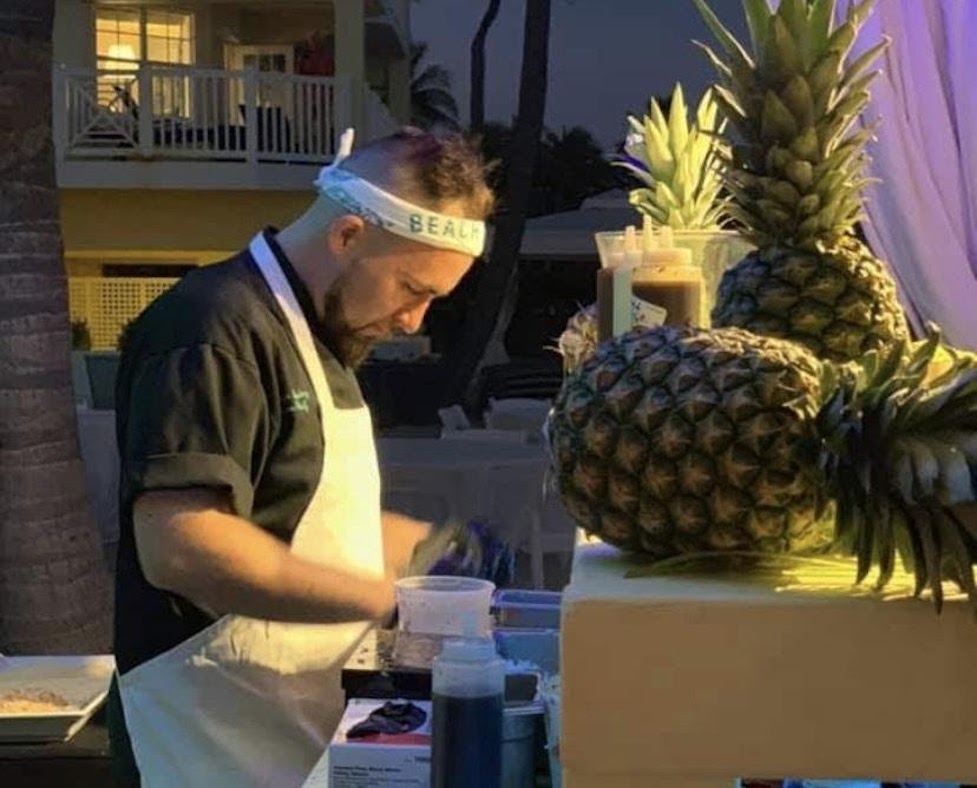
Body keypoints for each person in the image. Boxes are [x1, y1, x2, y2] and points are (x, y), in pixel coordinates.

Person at [106, 127, 499, 787]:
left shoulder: (323, 336)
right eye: (411, 287)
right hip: (206, 737)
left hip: (289, 726)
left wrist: (433, 554)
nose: (414, 321)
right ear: (348, 235)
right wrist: (381, 600)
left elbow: (300, 517)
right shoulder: (213, 329)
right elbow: (181, 546)